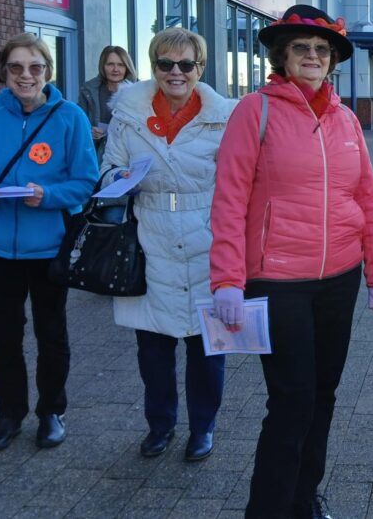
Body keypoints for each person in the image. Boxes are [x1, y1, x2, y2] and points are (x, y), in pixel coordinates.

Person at [209, 4, 373, 519]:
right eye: (301, 49)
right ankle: (267, 509)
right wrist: (226, 278)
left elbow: (368, 200)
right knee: (292, 401)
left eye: (321, 50)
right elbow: (228, 199)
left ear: (332, 60)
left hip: (341, 278)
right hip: (278, 281)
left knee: (325, 395)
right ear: (283, 57)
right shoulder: (255, 110)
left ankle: (303, 497)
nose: (312, 57)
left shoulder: (347, 120)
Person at [0, 32, 98, 452]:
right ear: (4, 72)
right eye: (16, 67)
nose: (25, 75)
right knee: (3, 334)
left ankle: (51, 412)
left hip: (49, 246)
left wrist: (48, 196)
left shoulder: (69, 116)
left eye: (35, 67)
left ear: (47, 72)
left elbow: (86, 180)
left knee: (51, 333)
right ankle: (9, 413)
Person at [101, 28, 235, 463]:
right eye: (165, 64)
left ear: (201, 68)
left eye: (185, 64)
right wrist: (119, 181)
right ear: (154, 65)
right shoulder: (128, 114)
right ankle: (159, 425)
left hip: (208, 237)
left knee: (206, 349)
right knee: (153, 351)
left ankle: (203, 427)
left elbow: (239, 182)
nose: (175, 73)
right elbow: (109, 170)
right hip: (149, 238)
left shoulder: (225, 117)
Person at [77, 46, 137, 159]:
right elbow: (79, 124)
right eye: (110, 64)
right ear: (102, 66)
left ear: (127, 68)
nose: (115, 69)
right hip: (96, 156)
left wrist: (110, 132)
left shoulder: (138, 91)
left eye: (121, 65)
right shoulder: (88, 91)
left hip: (128, 156)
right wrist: (90, 132)